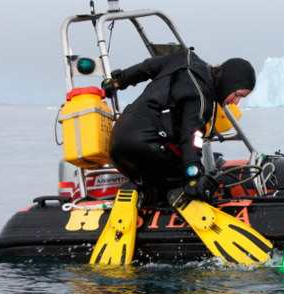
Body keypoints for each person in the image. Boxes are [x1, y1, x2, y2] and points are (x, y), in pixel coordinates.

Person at [103, 49, 256, 203]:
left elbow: (147, 68)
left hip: (118, 144)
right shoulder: (202, 96)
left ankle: (143, 194)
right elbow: (192, 134)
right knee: (186, 184)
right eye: (237, 95)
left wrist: (118, 81)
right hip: (146, 146)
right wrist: (193, 174)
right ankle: (170, 203)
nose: (236, 102)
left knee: (157, 179)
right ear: (229, 82)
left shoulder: (185, 58)